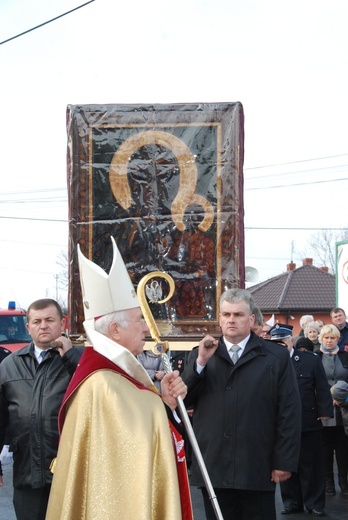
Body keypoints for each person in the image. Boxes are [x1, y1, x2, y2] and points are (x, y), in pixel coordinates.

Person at [46, 237, 193, 520]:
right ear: (115, 330)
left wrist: (165, 403)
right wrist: (158, 405)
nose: (146, 329)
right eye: (139, 319)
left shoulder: (115, 377)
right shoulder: (104, 384)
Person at [181, 288, 301, 520]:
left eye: (238, 314)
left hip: (257, 464)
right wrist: (200, 364)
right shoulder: (202, 355)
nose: (231, 320)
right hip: (214, 464)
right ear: (219, 319)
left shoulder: (275, 357)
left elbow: (289, 411)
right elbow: (184, 399)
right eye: (226, 315)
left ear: (251, 319)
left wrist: (284, 461)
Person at [0, 299, 83, 520]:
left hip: (72, 474)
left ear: (63, 323)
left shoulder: (80, 361)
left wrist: (72, 357)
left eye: (49, 320)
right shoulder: (9, 366)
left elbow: (98, 392)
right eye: (36, 321)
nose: (43, 326)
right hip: (27, 475)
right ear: (28, 328)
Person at [269, 323, 333, 517]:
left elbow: (321, 387)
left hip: (308, 420)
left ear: (291, 341)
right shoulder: (268, 361)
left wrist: (325, 411)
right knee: (287, 463)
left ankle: (315, 503)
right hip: (281, 424)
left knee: (312, 465)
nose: (280, 345)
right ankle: (292, 502)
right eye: (276, 342)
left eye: (283, 341)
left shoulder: (309, 360)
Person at [318, 324, 348, 496]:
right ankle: (328, 483)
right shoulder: (316, 357)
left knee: (343, 449)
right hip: (324, 410)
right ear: (321, 339)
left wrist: (343, 398)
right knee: (326, 449)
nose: (329, 341)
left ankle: (344, 482)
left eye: (332, 338)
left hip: (344, 409)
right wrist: (326, 399)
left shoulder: (345, 357)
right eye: (326, 338)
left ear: (338, 339)